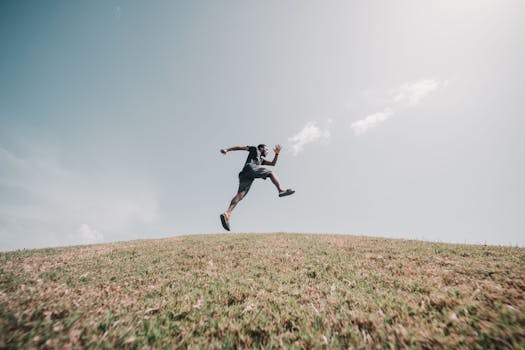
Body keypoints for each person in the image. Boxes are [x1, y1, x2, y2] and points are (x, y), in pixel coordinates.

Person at [219, 144, 294, 231]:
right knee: (270, 173)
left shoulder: (260, 160)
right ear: (261, 148)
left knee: (240, 195)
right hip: (250, 168)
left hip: (245, 175)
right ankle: (281, 190)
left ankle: (227, 213)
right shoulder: (254, 149)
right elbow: (240, 147)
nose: (267, 152)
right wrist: (227, 149)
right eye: (266, 149)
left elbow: (273, 163)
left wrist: (276, 154)